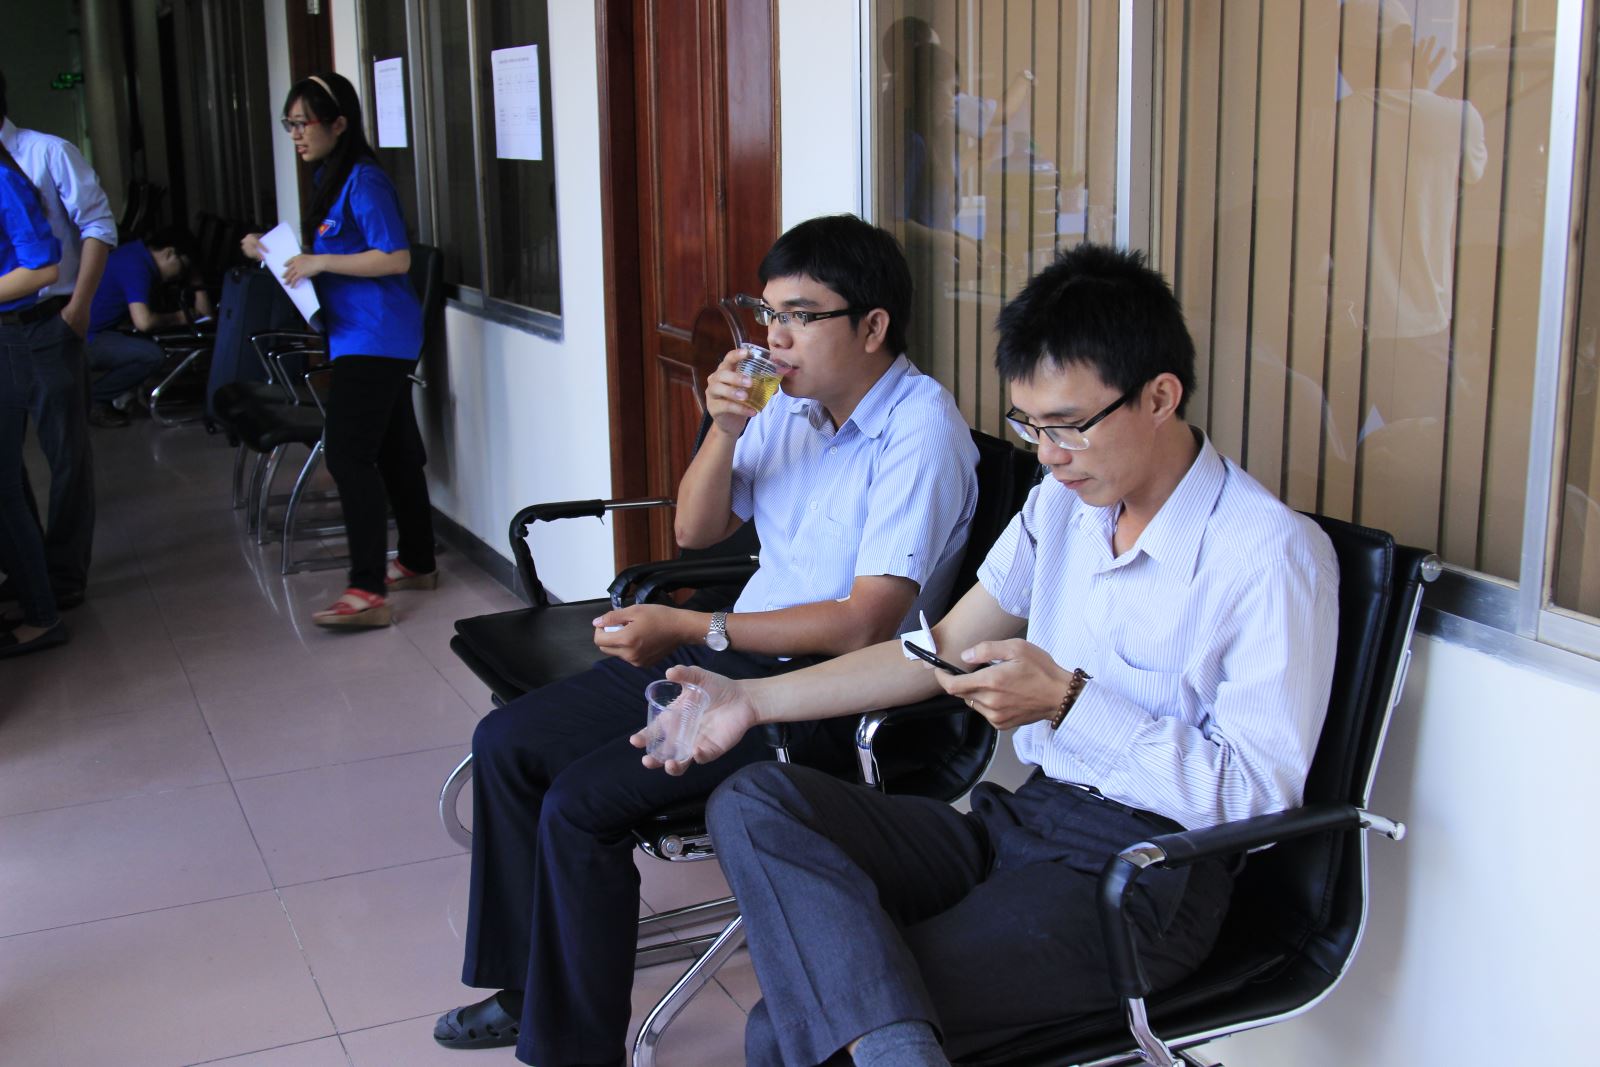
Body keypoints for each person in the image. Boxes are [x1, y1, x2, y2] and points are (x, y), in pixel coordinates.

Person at [639, 243, 1341, 1067]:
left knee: (790, 1029)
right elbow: (936, 650)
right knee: (756, 800)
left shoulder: (1268, 552)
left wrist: (1072, 702)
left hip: (1147, 876)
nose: (1047, 454)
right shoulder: (1064, 505)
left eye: (1068, 426)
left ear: (1160, 396)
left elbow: (1258, 799)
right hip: (1022, 824)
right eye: (1029, 426)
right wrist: (753, 701)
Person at [432, 214, 981, 1067]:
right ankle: (525, 985)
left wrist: (693, 626)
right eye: (768, 314)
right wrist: (723, 427)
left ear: (873, 326)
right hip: (735, 651)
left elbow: (866, 620)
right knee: (507, 740)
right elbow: (696, 530)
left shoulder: (921, 431)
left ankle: (571, 1046)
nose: (775, 338)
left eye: (801, 316)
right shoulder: (789, 404)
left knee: (582, 802)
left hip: (834, 693)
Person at [241, 72, 434, 627]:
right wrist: (273, 253)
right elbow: (335, 256)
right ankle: (418, 560)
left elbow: (395, 258)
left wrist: (320, 261)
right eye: (290, 124)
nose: (296, 135)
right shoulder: (332, 177)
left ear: (339, 123)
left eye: (304, 123)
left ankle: (367, 590)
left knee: (348, 456)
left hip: (377, 336)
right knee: (395, 451)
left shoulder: (365, 180)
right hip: (358, 333)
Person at [0, 69, 115, 613]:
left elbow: (98, 226)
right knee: (8, 460)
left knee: (66, 451)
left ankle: (65, 572)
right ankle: (31, 568)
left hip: (51, 318)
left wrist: (80, 306)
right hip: (4, 324)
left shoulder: (46, 152)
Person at [0, 139, 69, 657]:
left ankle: (43, 616)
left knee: (3, 489)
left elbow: (43, 268)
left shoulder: (4, 179)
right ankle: (29, 594)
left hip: (6, 339)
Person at [83, 227, 211, 427]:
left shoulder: (135, 254)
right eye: (183, 268)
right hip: (86, 340)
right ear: (169, 253)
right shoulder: (136, 266)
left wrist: (196, 279)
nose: (181, 275)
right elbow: (144, 322)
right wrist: (179, 318)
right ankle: (94, 399)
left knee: (144, 346)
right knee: (151, 355)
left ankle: (105, 397)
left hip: (93, 332)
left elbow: (206, 315)